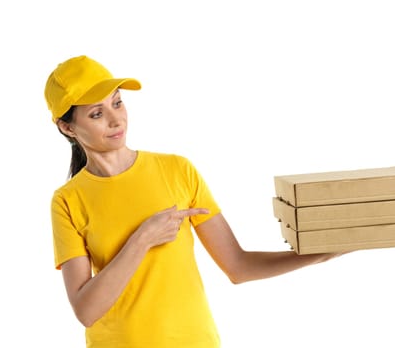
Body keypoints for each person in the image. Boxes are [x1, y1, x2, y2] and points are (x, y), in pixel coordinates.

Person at [44, 55, 344, 348]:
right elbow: (86, 310)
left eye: (118, 102)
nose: (116, 119)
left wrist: (320, 255)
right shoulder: (68, 200)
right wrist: (143, 239)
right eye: (97, 113)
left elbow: (238, 267)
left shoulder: (177, 170)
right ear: (67, 127)